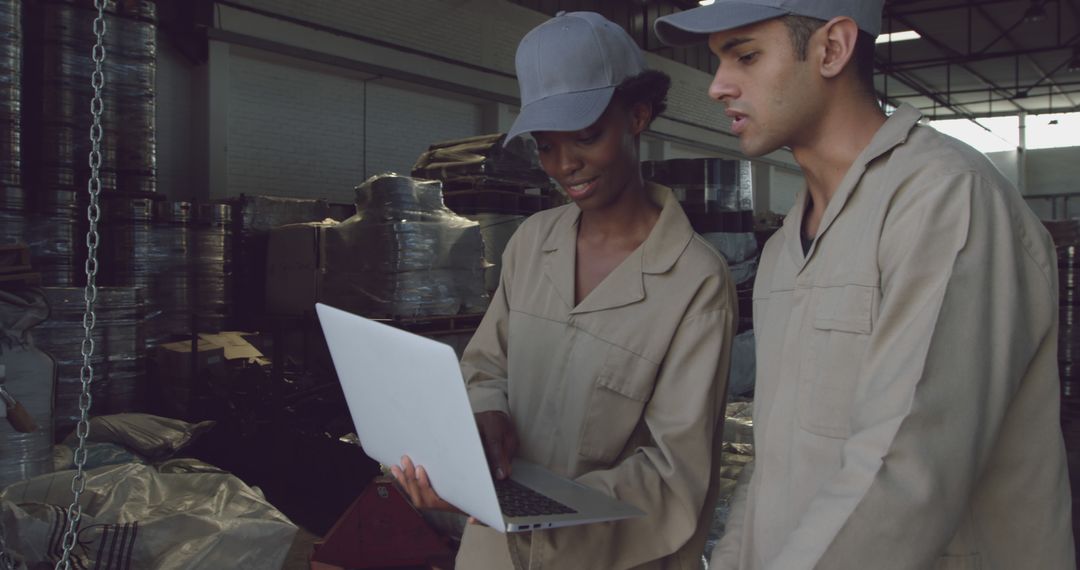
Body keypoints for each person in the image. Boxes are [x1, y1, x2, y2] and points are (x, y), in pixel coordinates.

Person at [652, 1, 1076, 568]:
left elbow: (905, 470)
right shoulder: (783, 252)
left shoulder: (945, 202)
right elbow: (773, 463)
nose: (717, 87)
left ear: (832, 48)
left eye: (745, 56)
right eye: (718, 62)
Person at [391, 11, 738, 569]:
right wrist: (483, 420)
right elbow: (486, 366)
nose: (564, 164)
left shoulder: (694, 282)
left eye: (585, 136)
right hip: (494, 554)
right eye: (546, 145)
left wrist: (533, 510)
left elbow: (676, 474)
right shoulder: (532, 242)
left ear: (637, 115)